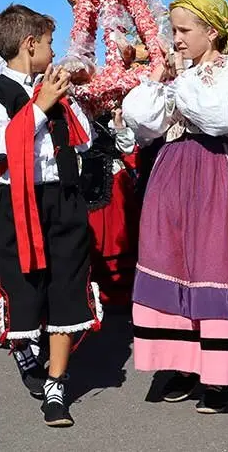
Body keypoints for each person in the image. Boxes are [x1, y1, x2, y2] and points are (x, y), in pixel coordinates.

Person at [123, 0, 228, 415]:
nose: (177, 38)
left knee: (212, 263)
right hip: (171, 169)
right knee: (170, 260)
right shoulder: (179, 73)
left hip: (213, 172)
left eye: (185, 30)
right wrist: (156, 81)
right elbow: (146, 125)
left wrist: (179, 82)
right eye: (173, 30)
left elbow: (221, 117)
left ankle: (220, 376)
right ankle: (183, 365)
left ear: (213, 32)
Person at [0, 4, 98, 428]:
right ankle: (25, 348)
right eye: (48, 43)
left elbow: (83, 140)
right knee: (26, 291)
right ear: (29, 45)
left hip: (64, 198)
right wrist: (41, 105)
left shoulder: (54, 88)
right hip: (17, 203)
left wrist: (66, 101)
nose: (52, 50)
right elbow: (2, 144)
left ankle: (57, 384)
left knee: (66, 288)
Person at [80, 108, 140, 307]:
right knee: (95, 232)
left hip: (114, 179)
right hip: (87, 177)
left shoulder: (119, 112)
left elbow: (128, 148)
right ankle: (93, 289)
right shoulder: (76, 109)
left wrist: (119, 122)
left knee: (118, 230)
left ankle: (119, 292)